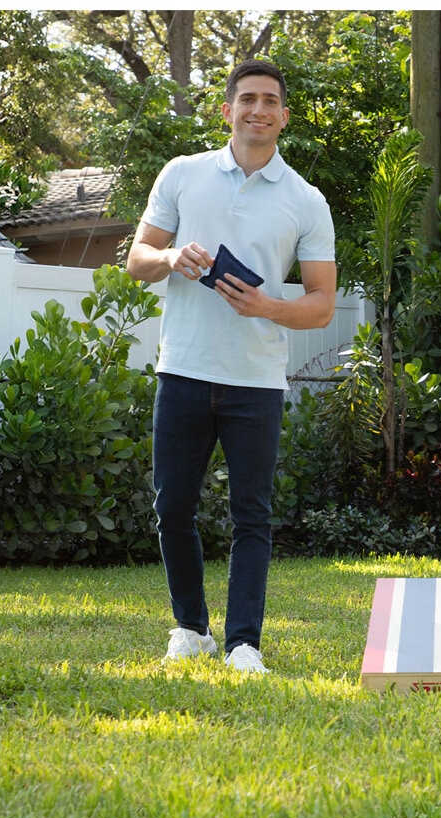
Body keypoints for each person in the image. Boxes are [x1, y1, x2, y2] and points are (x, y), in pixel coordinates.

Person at [126, 59, 336, 673]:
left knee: (253, 515)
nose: (259, 110)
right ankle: (191, 629)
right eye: (248, 99)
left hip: (256, 381)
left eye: (271, 101)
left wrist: (269, 305)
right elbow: (136, 259)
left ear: (284, 116)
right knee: (173, 508)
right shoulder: (183, 174)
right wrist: (169, 258)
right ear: (228, 109)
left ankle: (245, 642)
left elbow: (322, 305)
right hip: (183, 369)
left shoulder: (306, 199)